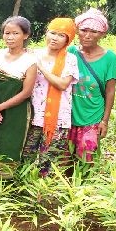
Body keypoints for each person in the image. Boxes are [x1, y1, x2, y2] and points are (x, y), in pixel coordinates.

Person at [22, 19, 79, 176]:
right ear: (46, 33)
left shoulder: (70, 59)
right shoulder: (32, 54)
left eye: (61, 35)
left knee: (48, 162)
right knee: (25, 157)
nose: (55, 38)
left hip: (58, 119)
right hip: (32, 116)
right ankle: (22, 193)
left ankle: (42, 196)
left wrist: (40, 66)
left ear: (68, 40)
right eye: (52, 33)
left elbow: (62, 84)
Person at [0, 17, 37, 172]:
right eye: (7, 33)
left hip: (16, 112)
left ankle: (6, 182)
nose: (10, 37)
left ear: (25, 35)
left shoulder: (30, 61)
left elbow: (26, 92)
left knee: (10, 144)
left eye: (15, 33)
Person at [67, 8, 116, 165]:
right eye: (83, 30)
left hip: (92, 117)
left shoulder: (110, 58)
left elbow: (110, 90)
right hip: (68, 116)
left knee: (86, 160)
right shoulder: (71, 51)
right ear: (77, 31)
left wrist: (105, 121)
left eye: (94, 32)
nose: (87, 35)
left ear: (102, 34)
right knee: (65, 160)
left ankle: (84, 188)